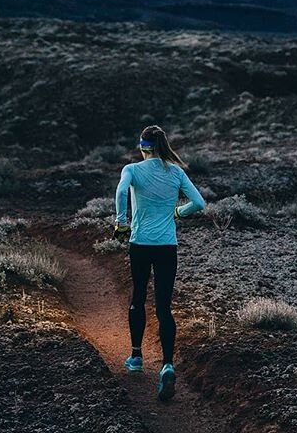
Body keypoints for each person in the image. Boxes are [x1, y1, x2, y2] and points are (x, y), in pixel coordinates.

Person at [114, 125, 206, 401]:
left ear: (143, 146)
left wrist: (121, 222)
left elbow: (121, 192)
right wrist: (179, 211)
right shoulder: (175, 172)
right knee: (164, 306)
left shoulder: (132, 170)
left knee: (138, 297)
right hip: (168, 246)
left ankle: (136, 356)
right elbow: (199, 203)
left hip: (140, 244)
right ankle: (167, 363)